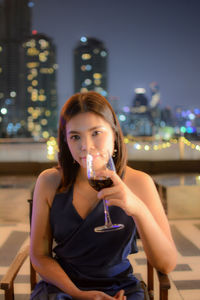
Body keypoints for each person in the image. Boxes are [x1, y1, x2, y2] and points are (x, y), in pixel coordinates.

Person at [30, 91, 177, 300]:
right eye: (75, 136)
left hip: (120, 288)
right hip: (64, 287)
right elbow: (39, 255)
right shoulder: (49, 182)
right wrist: (78, 294)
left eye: (96, 133)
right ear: (65, 141)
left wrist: (137, 208)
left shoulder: (139, 182)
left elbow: (167, 263)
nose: (86, 146)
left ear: (115, 134)